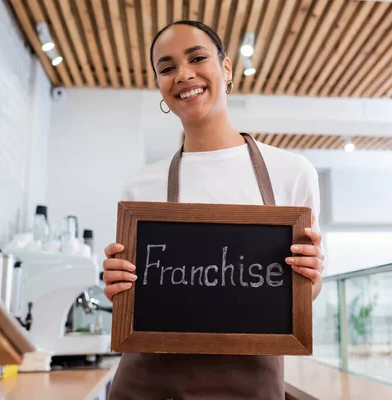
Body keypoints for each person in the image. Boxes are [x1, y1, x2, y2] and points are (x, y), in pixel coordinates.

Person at [102, 20, 324, 399]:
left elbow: (309, 289)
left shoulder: (291, 172)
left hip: (248, 384)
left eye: (197, 58)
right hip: (148, 385)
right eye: (167, 68)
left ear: (226, 68)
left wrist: (310, 274)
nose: (183, 74)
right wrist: (118, 284)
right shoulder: (141, 184)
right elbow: (133, 294)